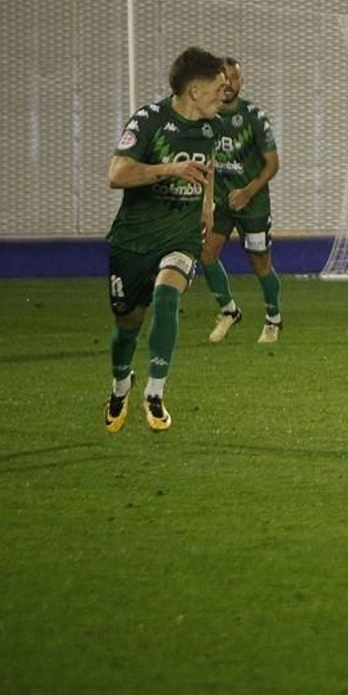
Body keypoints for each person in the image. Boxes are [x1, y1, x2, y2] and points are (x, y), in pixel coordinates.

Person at [104, 46, 229, 432]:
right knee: (128, 324)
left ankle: (155, 392)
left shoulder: (212, 127)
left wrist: (208, 206)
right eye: (219, 88)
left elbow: (207, 167)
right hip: (134, 240)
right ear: (194, 91)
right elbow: (117, 174)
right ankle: (121, 384)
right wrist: (168, 168)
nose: (225, 94)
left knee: (166, 295)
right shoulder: (149, 121)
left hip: (181, 235)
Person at [202, 58, 285, 343]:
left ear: (241, 82)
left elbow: (272, 164)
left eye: (234, 78)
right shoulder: (206, 118)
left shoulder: (254, 117)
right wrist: (208, 203)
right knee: (206, 253)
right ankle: (229, 311)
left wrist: (248, 191)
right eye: (224, 79)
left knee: (259, 263)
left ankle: (273, 319)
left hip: (253, 203)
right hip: (222, 202)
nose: (229, 84)